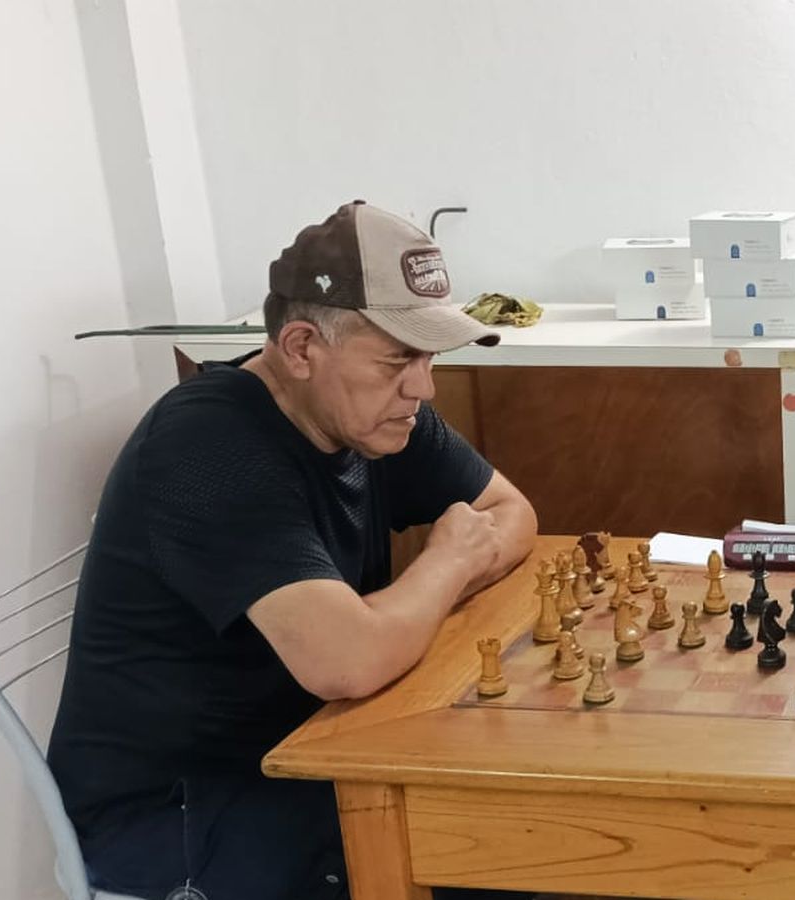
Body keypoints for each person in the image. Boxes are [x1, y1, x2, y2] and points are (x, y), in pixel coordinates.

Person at [49, 201, 538, 900]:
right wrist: (446, 563)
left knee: (537, 833)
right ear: (302, 348)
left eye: (429, 356)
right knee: (514, 854)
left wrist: (395, 619)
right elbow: (349, 663)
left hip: (314, 749)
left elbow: (512, 513)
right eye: (398, 359)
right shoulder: (207, 449)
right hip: (181, 813)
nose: (423, 387)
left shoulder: (375, 413)